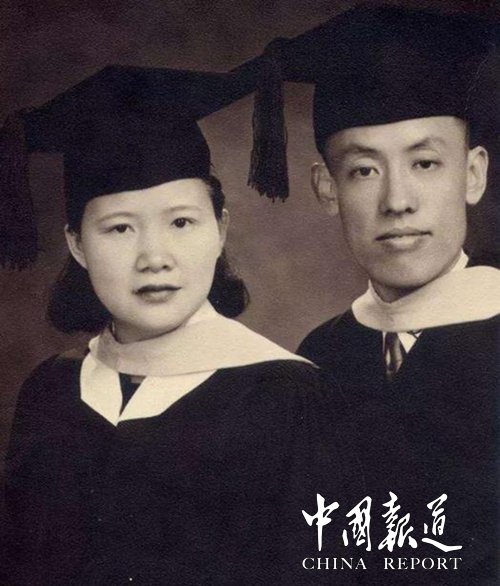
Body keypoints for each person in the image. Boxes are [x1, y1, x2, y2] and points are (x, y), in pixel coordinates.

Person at [0, 66, 358, 585]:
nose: (154, 257)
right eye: (119, 228)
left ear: (221, 229)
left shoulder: (287, 396)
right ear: (77, 244)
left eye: (181, 222)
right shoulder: (50, 390)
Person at [249, 5, 500, 584]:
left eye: (426, 163)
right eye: (364, 170)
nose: (397, 201)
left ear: (473, 175)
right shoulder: (317, 359)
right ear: (326, 189)